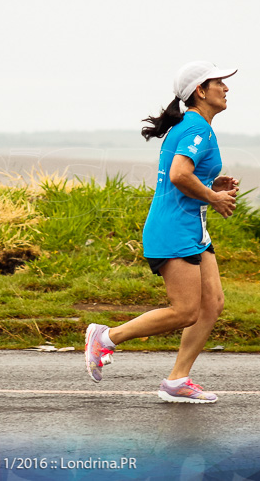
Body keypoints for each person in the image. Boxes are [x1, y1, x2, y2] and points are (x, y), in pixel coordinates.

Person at [84, 61, 239, 404]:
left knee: (211, 304)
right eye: (219, 84)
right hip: (174, 231)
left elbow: (186, 177)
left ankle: (177, 380)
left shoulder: (192, 125)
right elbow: (178, 175)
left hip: (191, 228)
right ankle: (105, 338)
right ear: (200, 91)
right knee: (185, 311)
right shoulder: (195, 128)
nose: (226, 89)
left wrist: (211, 184)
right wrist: (213, 196)